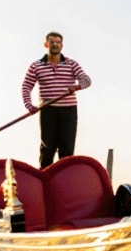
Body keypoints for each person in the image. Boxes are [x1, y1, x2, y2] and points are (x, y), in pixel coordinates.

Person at [21, 31, 92, 168]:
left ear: (61, 46)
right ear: (46, 44)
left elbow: (87, 80)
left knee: (67, 149)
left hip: (68, 111)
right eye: (52, 42)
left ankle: (65, 181)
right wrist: (29, 105)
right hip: (48, 110)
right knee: (47, 148)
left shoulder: (71, 64)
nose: (55, 44)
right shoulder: (36, 66)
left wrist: (76, 87)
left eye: (58, 42)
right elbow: (26, 86)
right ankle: (44, 177)